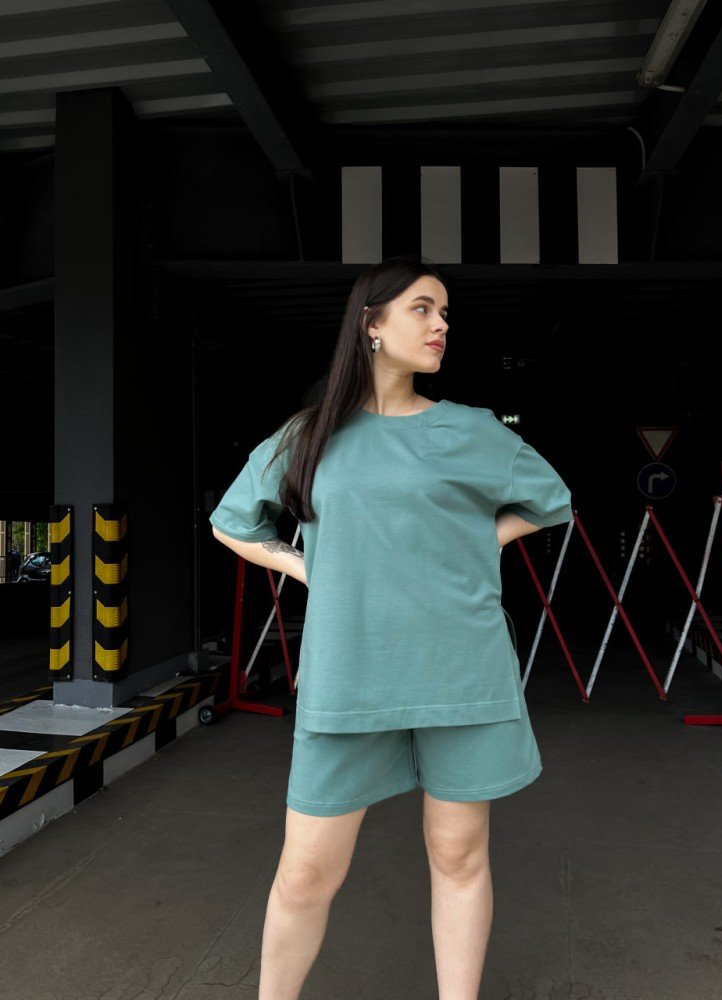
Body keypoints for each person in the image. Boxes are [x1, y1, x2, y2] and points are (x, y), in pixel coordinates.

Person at [209, 255, 573, 1000]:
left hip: (461, 668)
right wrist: (305, 568)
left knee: (459, 856)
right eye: (422, 308)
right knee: (306, 871)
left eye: (445, 313)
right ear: (370, 323)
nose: (441, 325)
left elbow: (551, 500)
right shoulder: (311, 434)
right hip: (348, 673)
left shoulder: (470, 429)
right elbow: (232, 522)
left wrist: (481, 540)